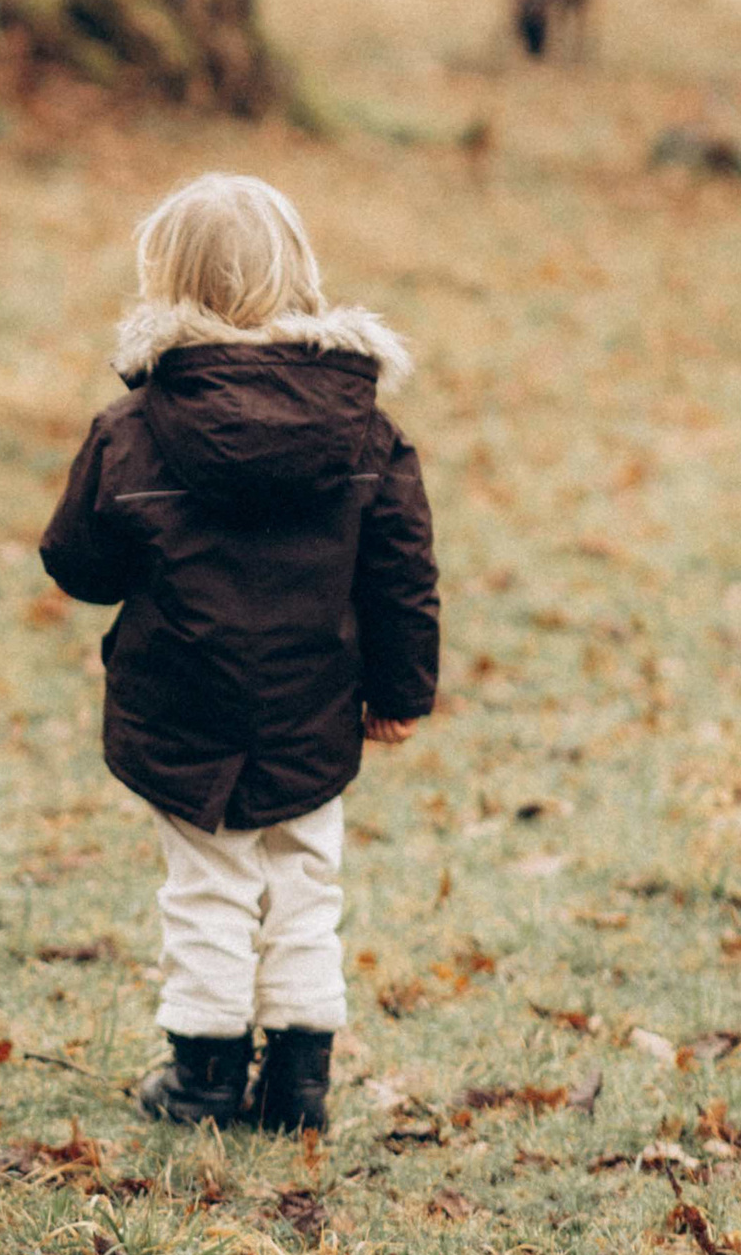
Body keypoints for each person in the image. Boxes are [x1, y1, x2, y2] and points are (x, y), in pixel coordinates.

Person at [36, 172, 439, 1136]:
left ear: (166, 283)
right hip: (313, 706)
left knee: (208, 887)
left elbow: (79, 561)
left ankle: (205, 1076)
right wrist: (400, 691)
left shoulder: (134, 430)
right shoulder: (365, 429)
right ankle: (299, 1080)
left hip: (184, 708)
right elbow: (401, 573)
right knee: (305, 882)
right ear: (300, 274)